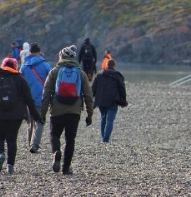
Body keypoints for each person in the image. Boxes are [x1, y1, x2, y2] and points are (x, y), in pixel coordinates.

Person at [41, 45, 94, 175]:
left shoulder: (54, 72)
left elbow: (46, 93)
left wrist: (42, 113)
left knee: (54, 135)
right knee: (70, 139)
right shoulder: (80, 73)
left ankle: (56, 152)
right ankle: (66, 168)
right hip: (74, 111)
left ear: (62, 57)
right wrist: (89, 114)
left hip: (57, 110)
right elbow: (88, 95)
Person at [0, 58, 42, 174]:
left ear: (3, 64)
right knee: (11, 139)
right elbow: (29, 98)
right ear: (15, 66)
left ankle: (0, 154)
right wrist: (35, 115)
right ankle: (10, 165)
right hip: (16, 115)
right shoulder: (20, 78)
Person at [20, 43, 52, 153]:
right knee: (40, 121)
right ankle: (34, 144)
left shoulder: (24, 66)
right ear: (39, 52)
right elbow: (52, 81)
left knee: (30, 120)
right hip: (41, 97)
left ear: (30, 52)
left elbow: (20, 81)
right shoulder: (46, 65)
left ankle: (30, 142)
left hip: (28, 98)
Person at [92, 59, 128, 144]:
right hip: (113, 101)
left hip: (101, 100)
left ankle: (103, 138)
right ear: (114, 66)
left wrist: (90, 99)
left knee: (103, 118)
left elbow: (93, 88)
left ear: (106, 65)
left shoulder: (99, 75)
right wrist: (123, 101)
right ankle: (105, 140)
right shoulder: (117, 75)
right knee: (110, 120)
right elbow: (122, 89)